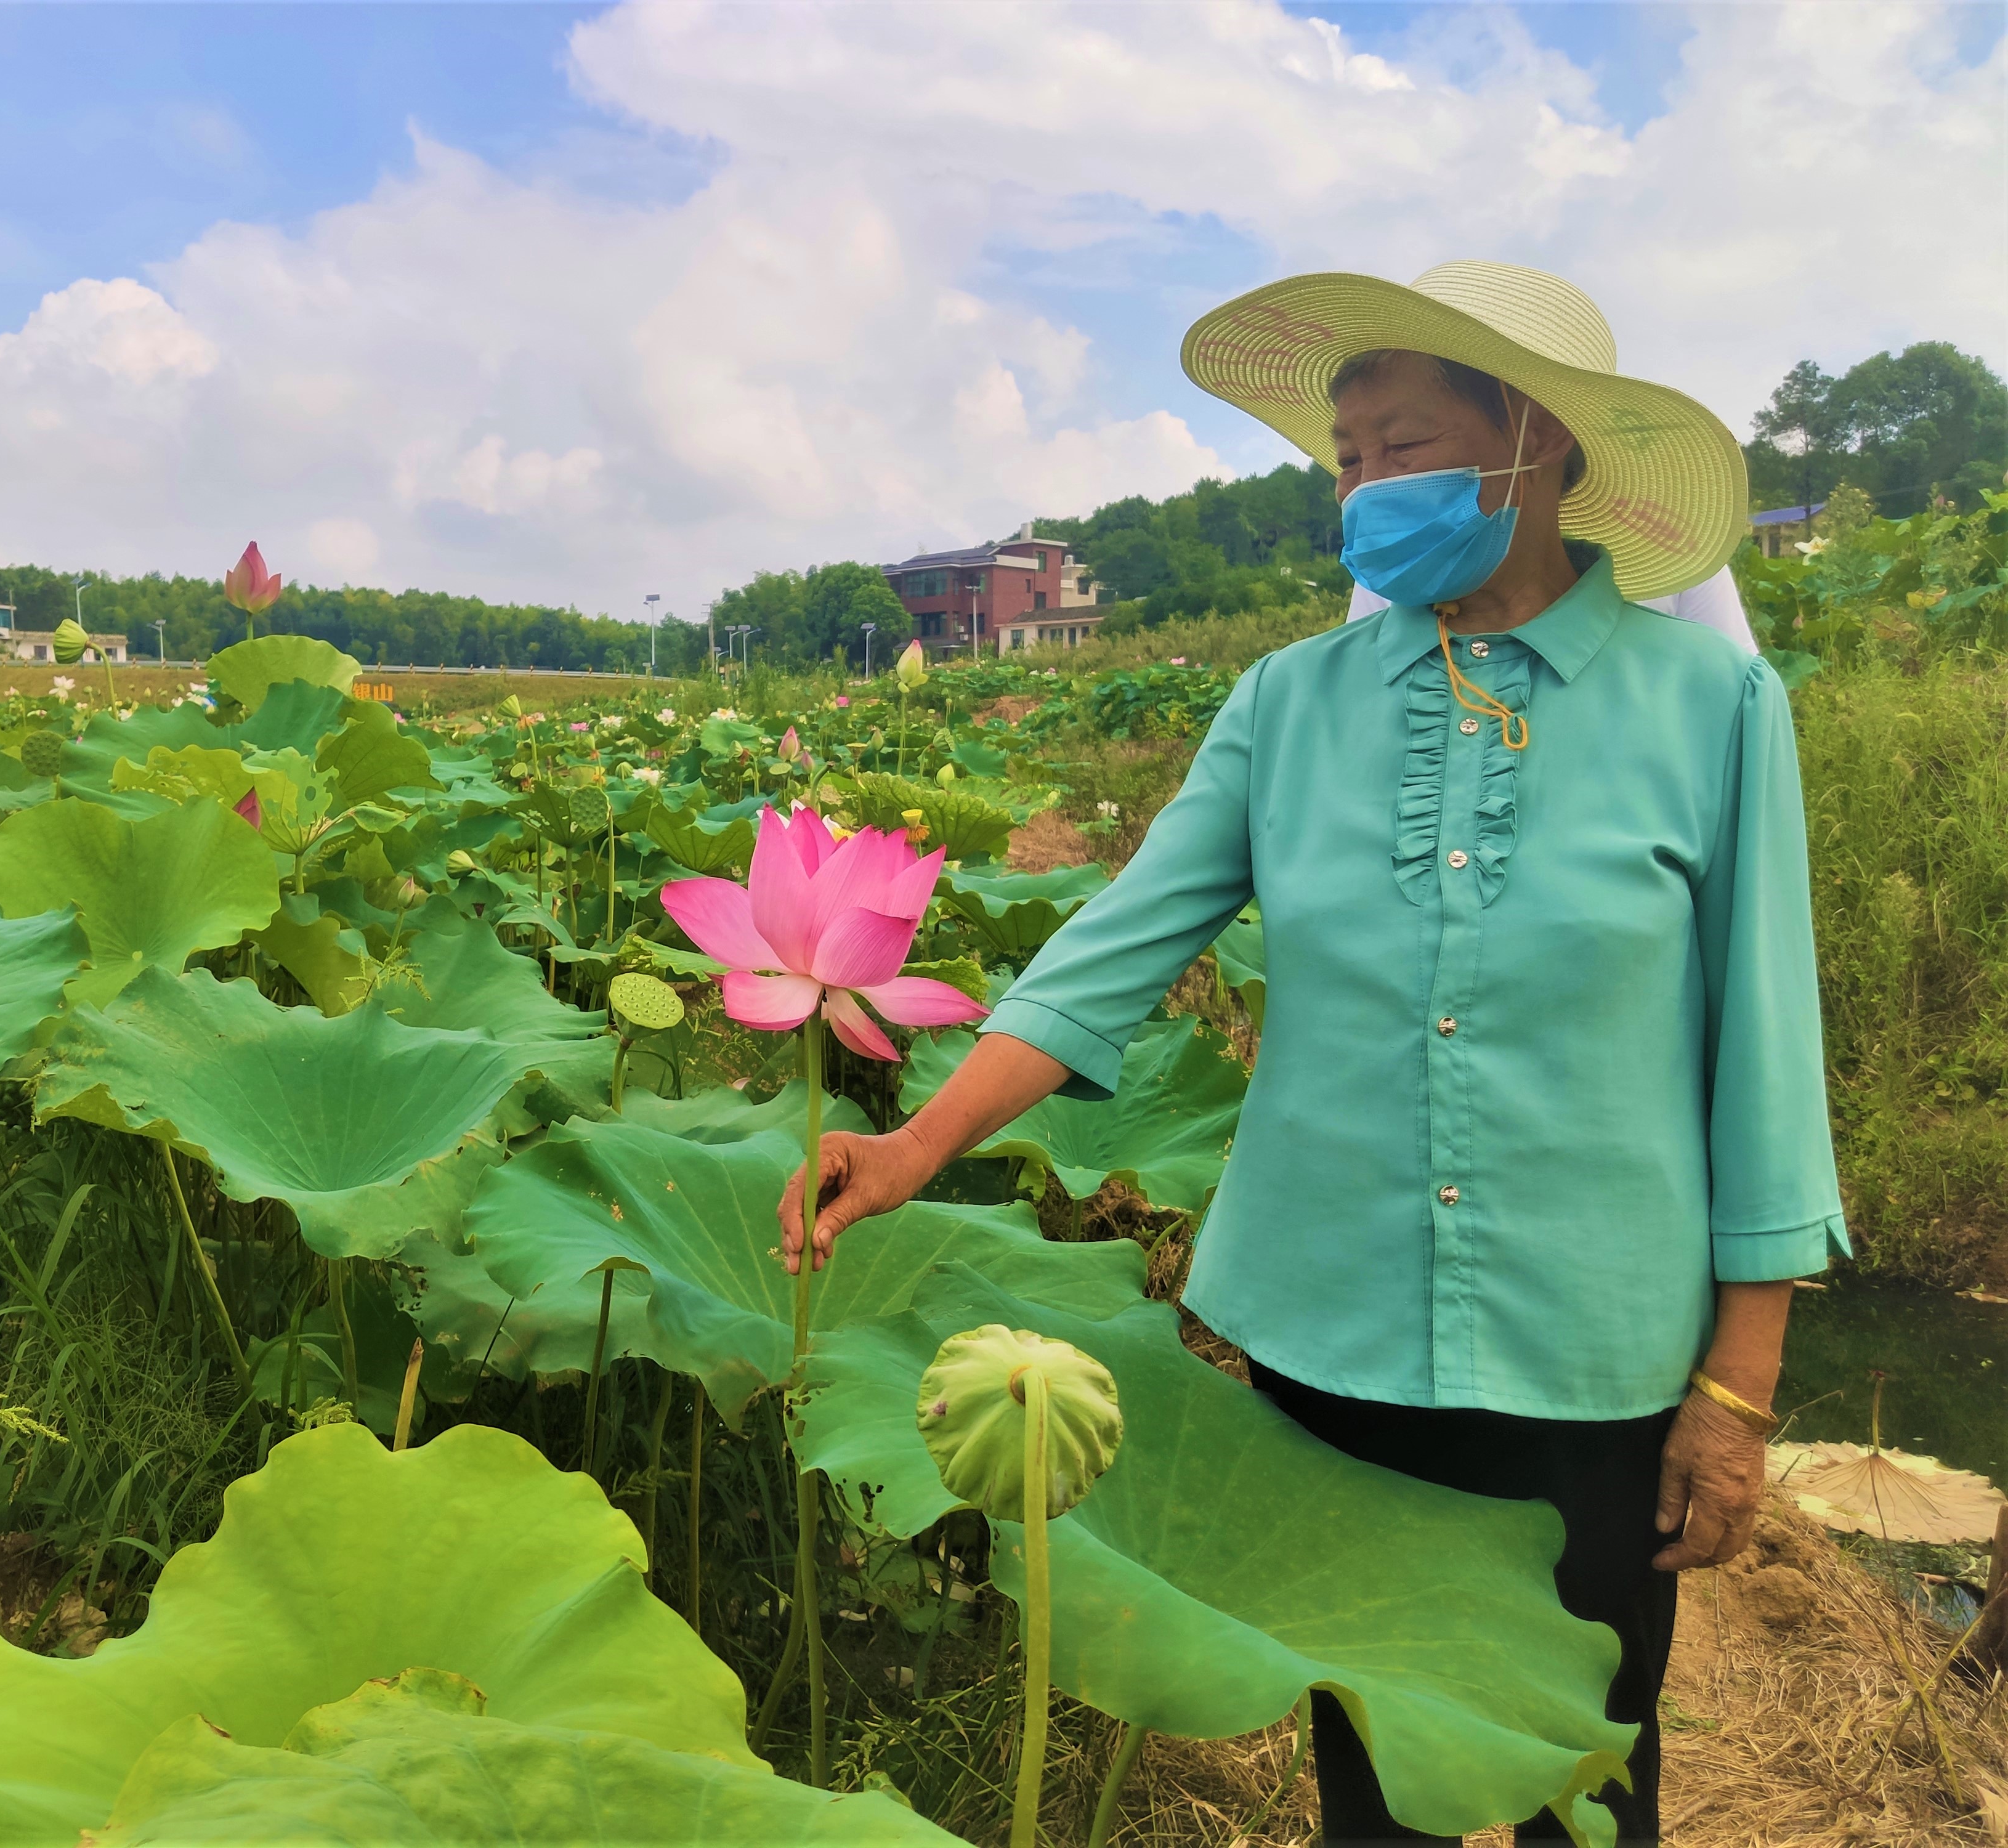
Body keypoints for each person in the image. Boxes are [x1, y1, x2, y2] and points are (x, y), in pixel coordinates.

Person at [779, 260, 1846, 1846]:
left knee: (1588, 1778)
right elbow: (1117, 947)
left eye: (1399, 447)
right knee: (1369, 1784)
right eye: (1344, 463)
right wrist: (918, 1142)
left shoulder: (1711, 705)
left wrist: (1737, 1385)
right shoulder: (1287, 702)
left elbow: (1764, 1047)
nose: (1361, 494)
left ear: (1534, 439)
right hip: (1328, 1335)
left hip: (1598, 1353)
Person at [1349, 564, 1758, 652]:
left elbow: (1732, 713)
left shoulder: (1680, 549)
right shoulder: (1391, 559)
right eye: (1350, 459)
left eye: (1407, 443)